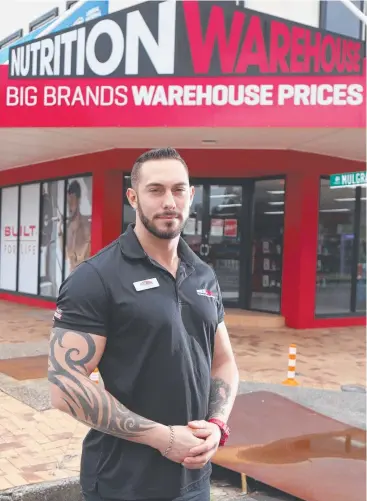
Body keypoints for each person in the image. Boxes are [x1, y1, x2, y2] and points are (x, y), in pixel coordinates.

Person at [48, 147, 239, 501]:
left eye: (179, 189)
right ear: (133, 198)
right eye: (156, 190)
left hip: (193, 480)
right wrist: (164, 439)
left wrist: (217, 423)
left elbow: (223, 361)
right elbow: (65, 386)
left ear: (191, 195)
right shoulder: (96, 278)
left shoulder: (204, 275)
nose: (169, 201)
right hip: (122, 483)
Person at [58, 179, 91, 273]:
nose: (69, 206)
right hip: (72, 275)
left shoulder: (86, 226)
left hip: (84, 275)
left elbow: (84, 256)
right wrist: (59, 231)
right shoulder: (67, 227)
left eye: (72, 200)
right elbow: (65, 256)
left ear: (78, 200)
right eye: (68, 201)